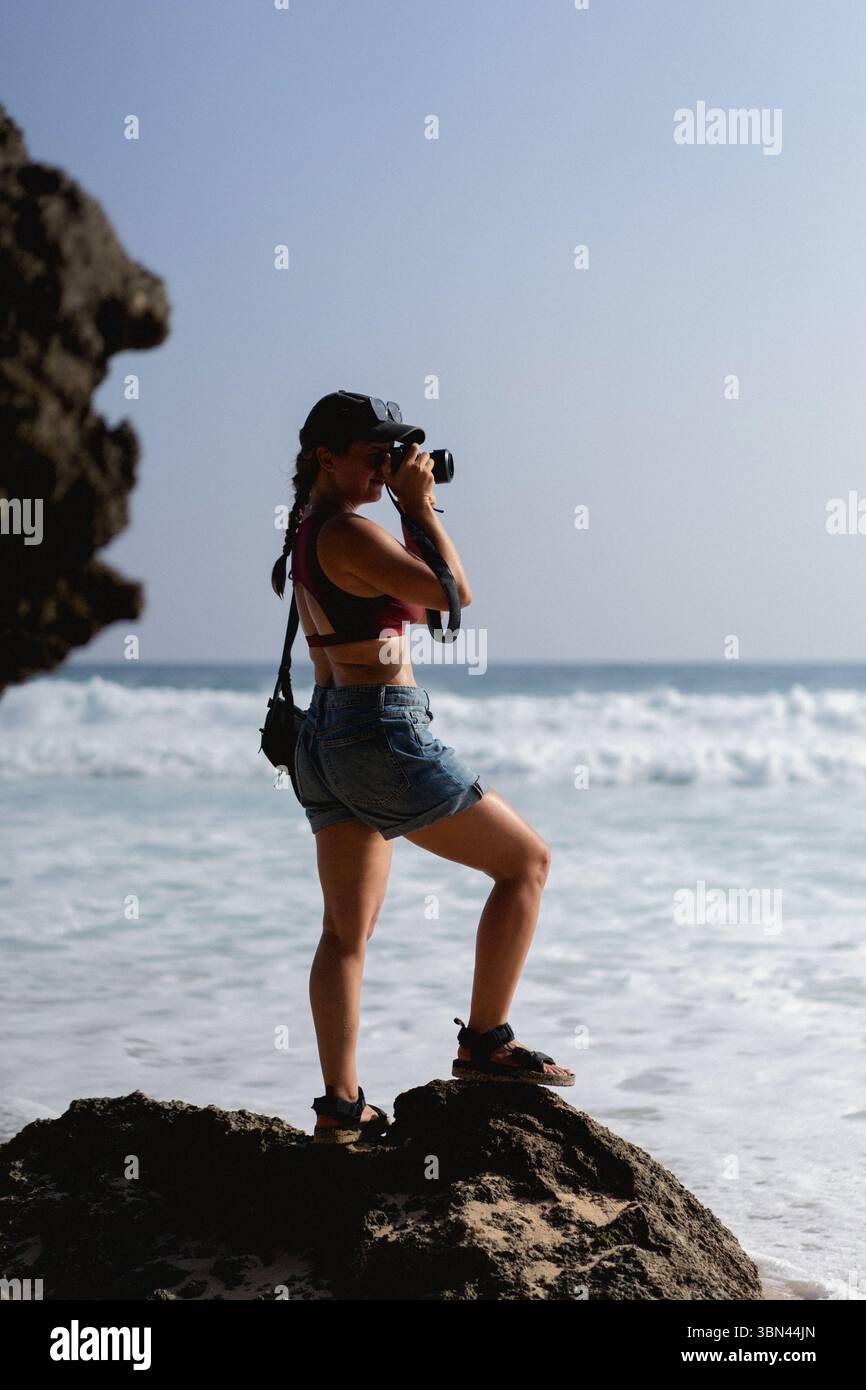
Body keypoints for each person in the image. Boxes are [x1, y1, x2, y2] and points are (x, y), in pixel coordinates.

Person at [271, 391, 575, 1144]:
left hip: (324, 738)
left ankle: (342, 1110)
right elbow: (453, 593)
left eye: (392, 453)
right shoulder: (346, 531)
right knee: (526, 864)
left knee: (345, 931)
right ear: (325, 457)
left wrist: (408, 504)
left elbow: (424, 603)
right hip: (379, 730)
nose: (385, 464)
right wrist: (421, 505)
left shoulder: (311, 529)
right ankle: (486, 1043)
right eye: (373, 454)